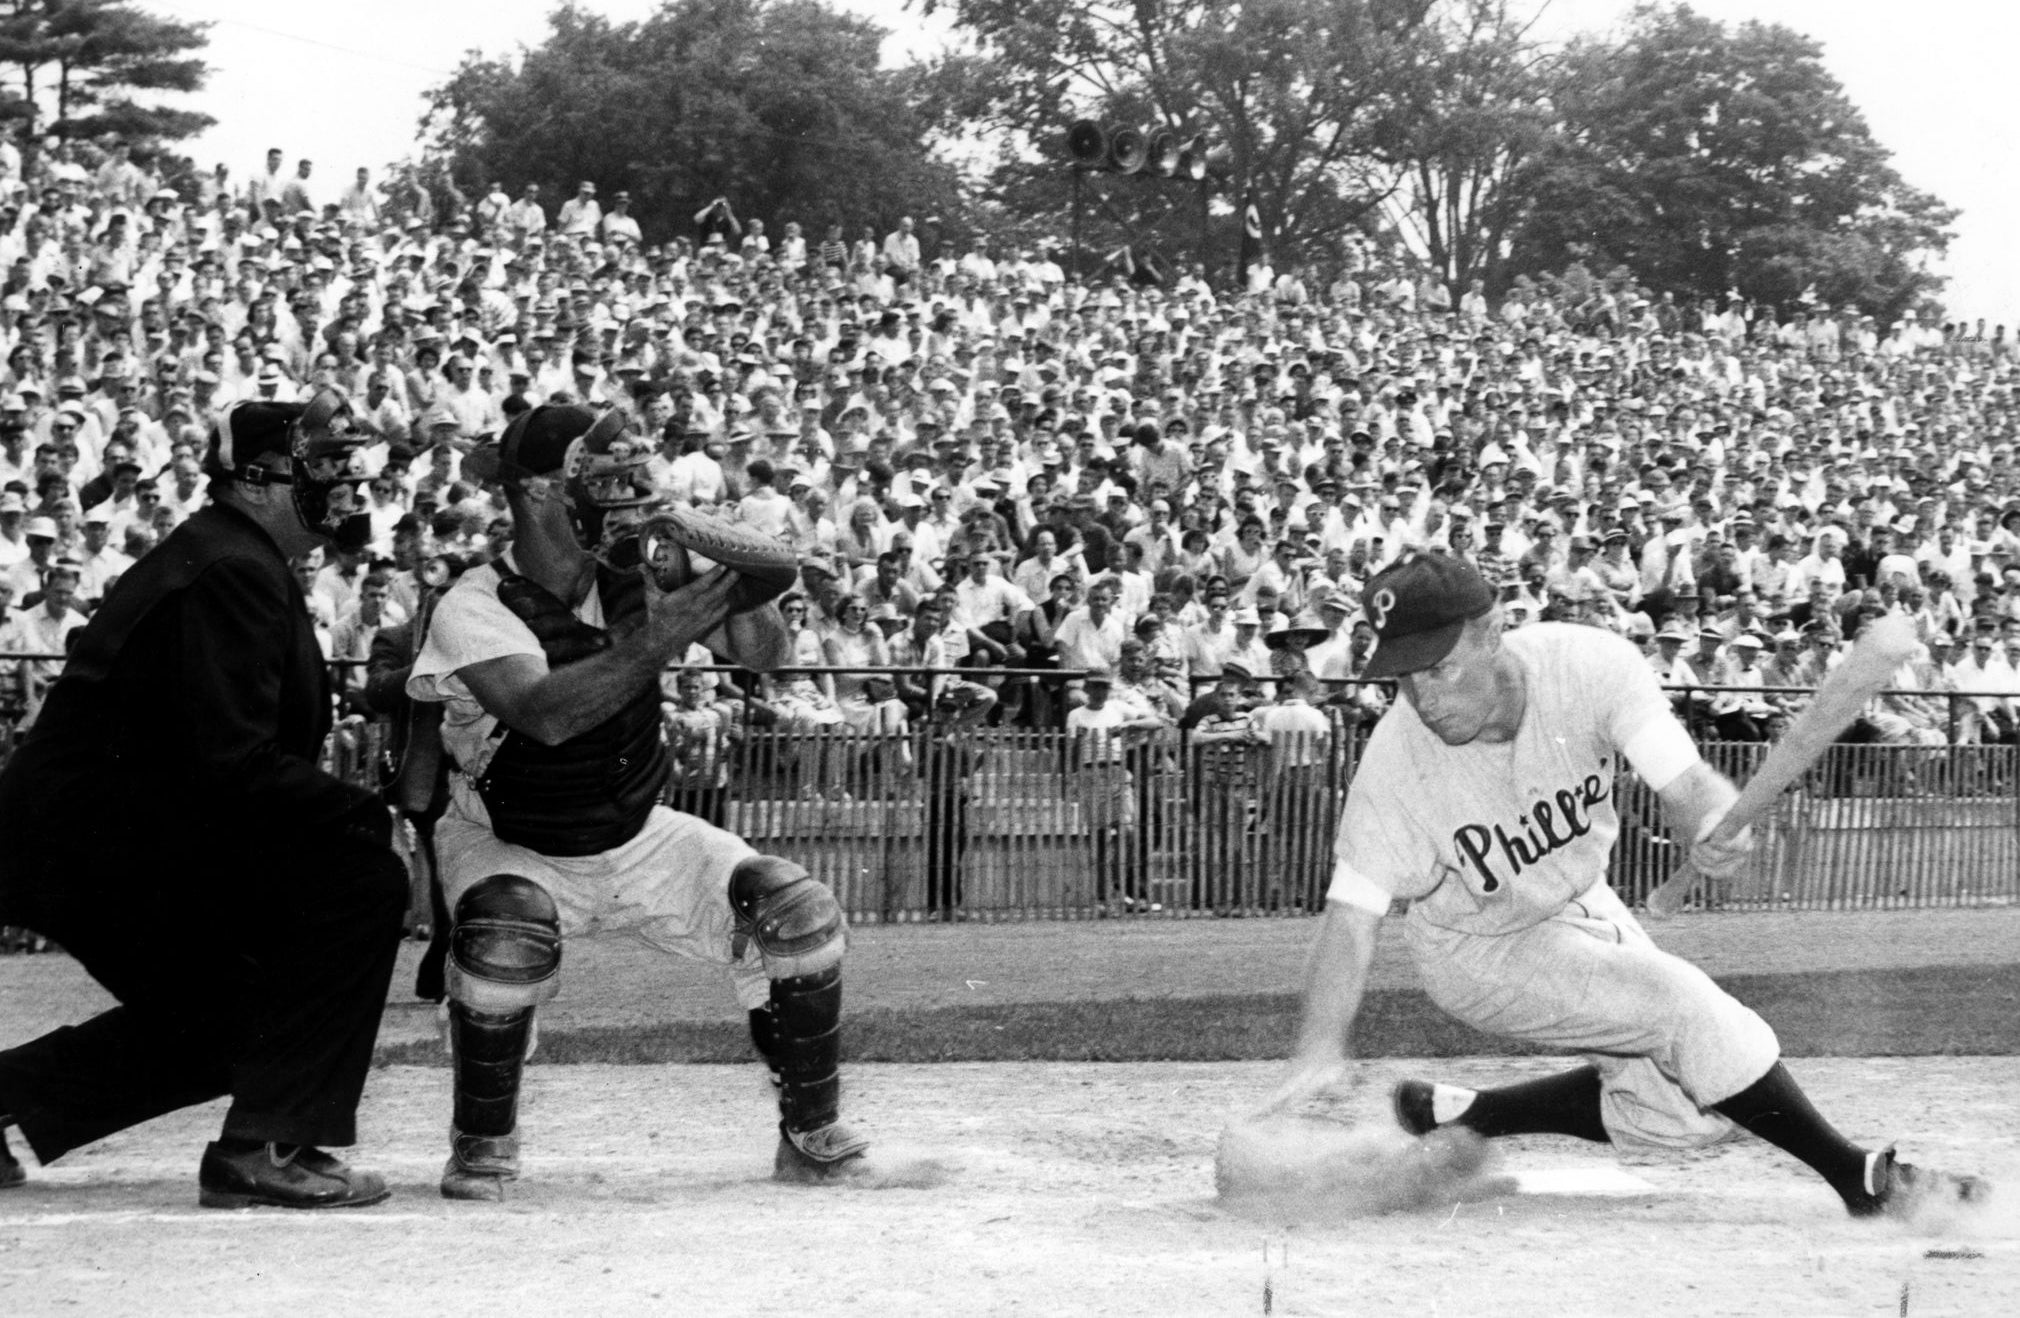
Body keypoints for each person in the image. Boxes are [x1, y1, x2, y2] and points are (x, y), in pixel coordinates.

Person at [1255, 553, 1989, 1221]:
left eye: (1438, 667)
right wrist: (1319, 1046)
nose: (1423, 697)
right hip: (1479, 948)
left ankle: (1466, 1113)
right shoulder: (1395, 768)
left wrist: (1705, 821)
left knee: (1690, 1114)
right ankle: (1862, 1180)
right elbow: (1351, 920)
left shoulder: (1587, 666)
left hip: (1579, 902)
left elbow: (1684, 780)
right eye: (1403, 677)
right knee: (1686, 1010)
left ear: (1493, 630)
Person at [405, 404, 875, 1199]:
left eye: (630, 478)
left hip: (634, 828)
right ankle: (482, 1142)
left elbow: (767, 656)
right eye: (606, 480)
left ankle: (811, 1130)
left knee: (799, 912)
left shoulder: (643, 576)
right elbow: (548, 715)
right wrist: (667, 632)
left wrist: (729, 574)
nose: (628, 496)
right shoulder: (474, 603)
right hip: (513, 836)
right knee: (505, 934)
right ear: (542, 493)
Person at [0, 395, 407, 1208]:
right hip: (94, 840)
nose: (346, 487)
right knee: (364, 879)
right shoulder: (232, 570)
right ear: (254, 482)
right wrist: (362, 813)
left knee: (243, 1010)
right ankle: (267, 1144)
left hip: (103, 832)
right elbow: (229, 759)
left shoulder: (232, 555)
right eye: (323, 467)